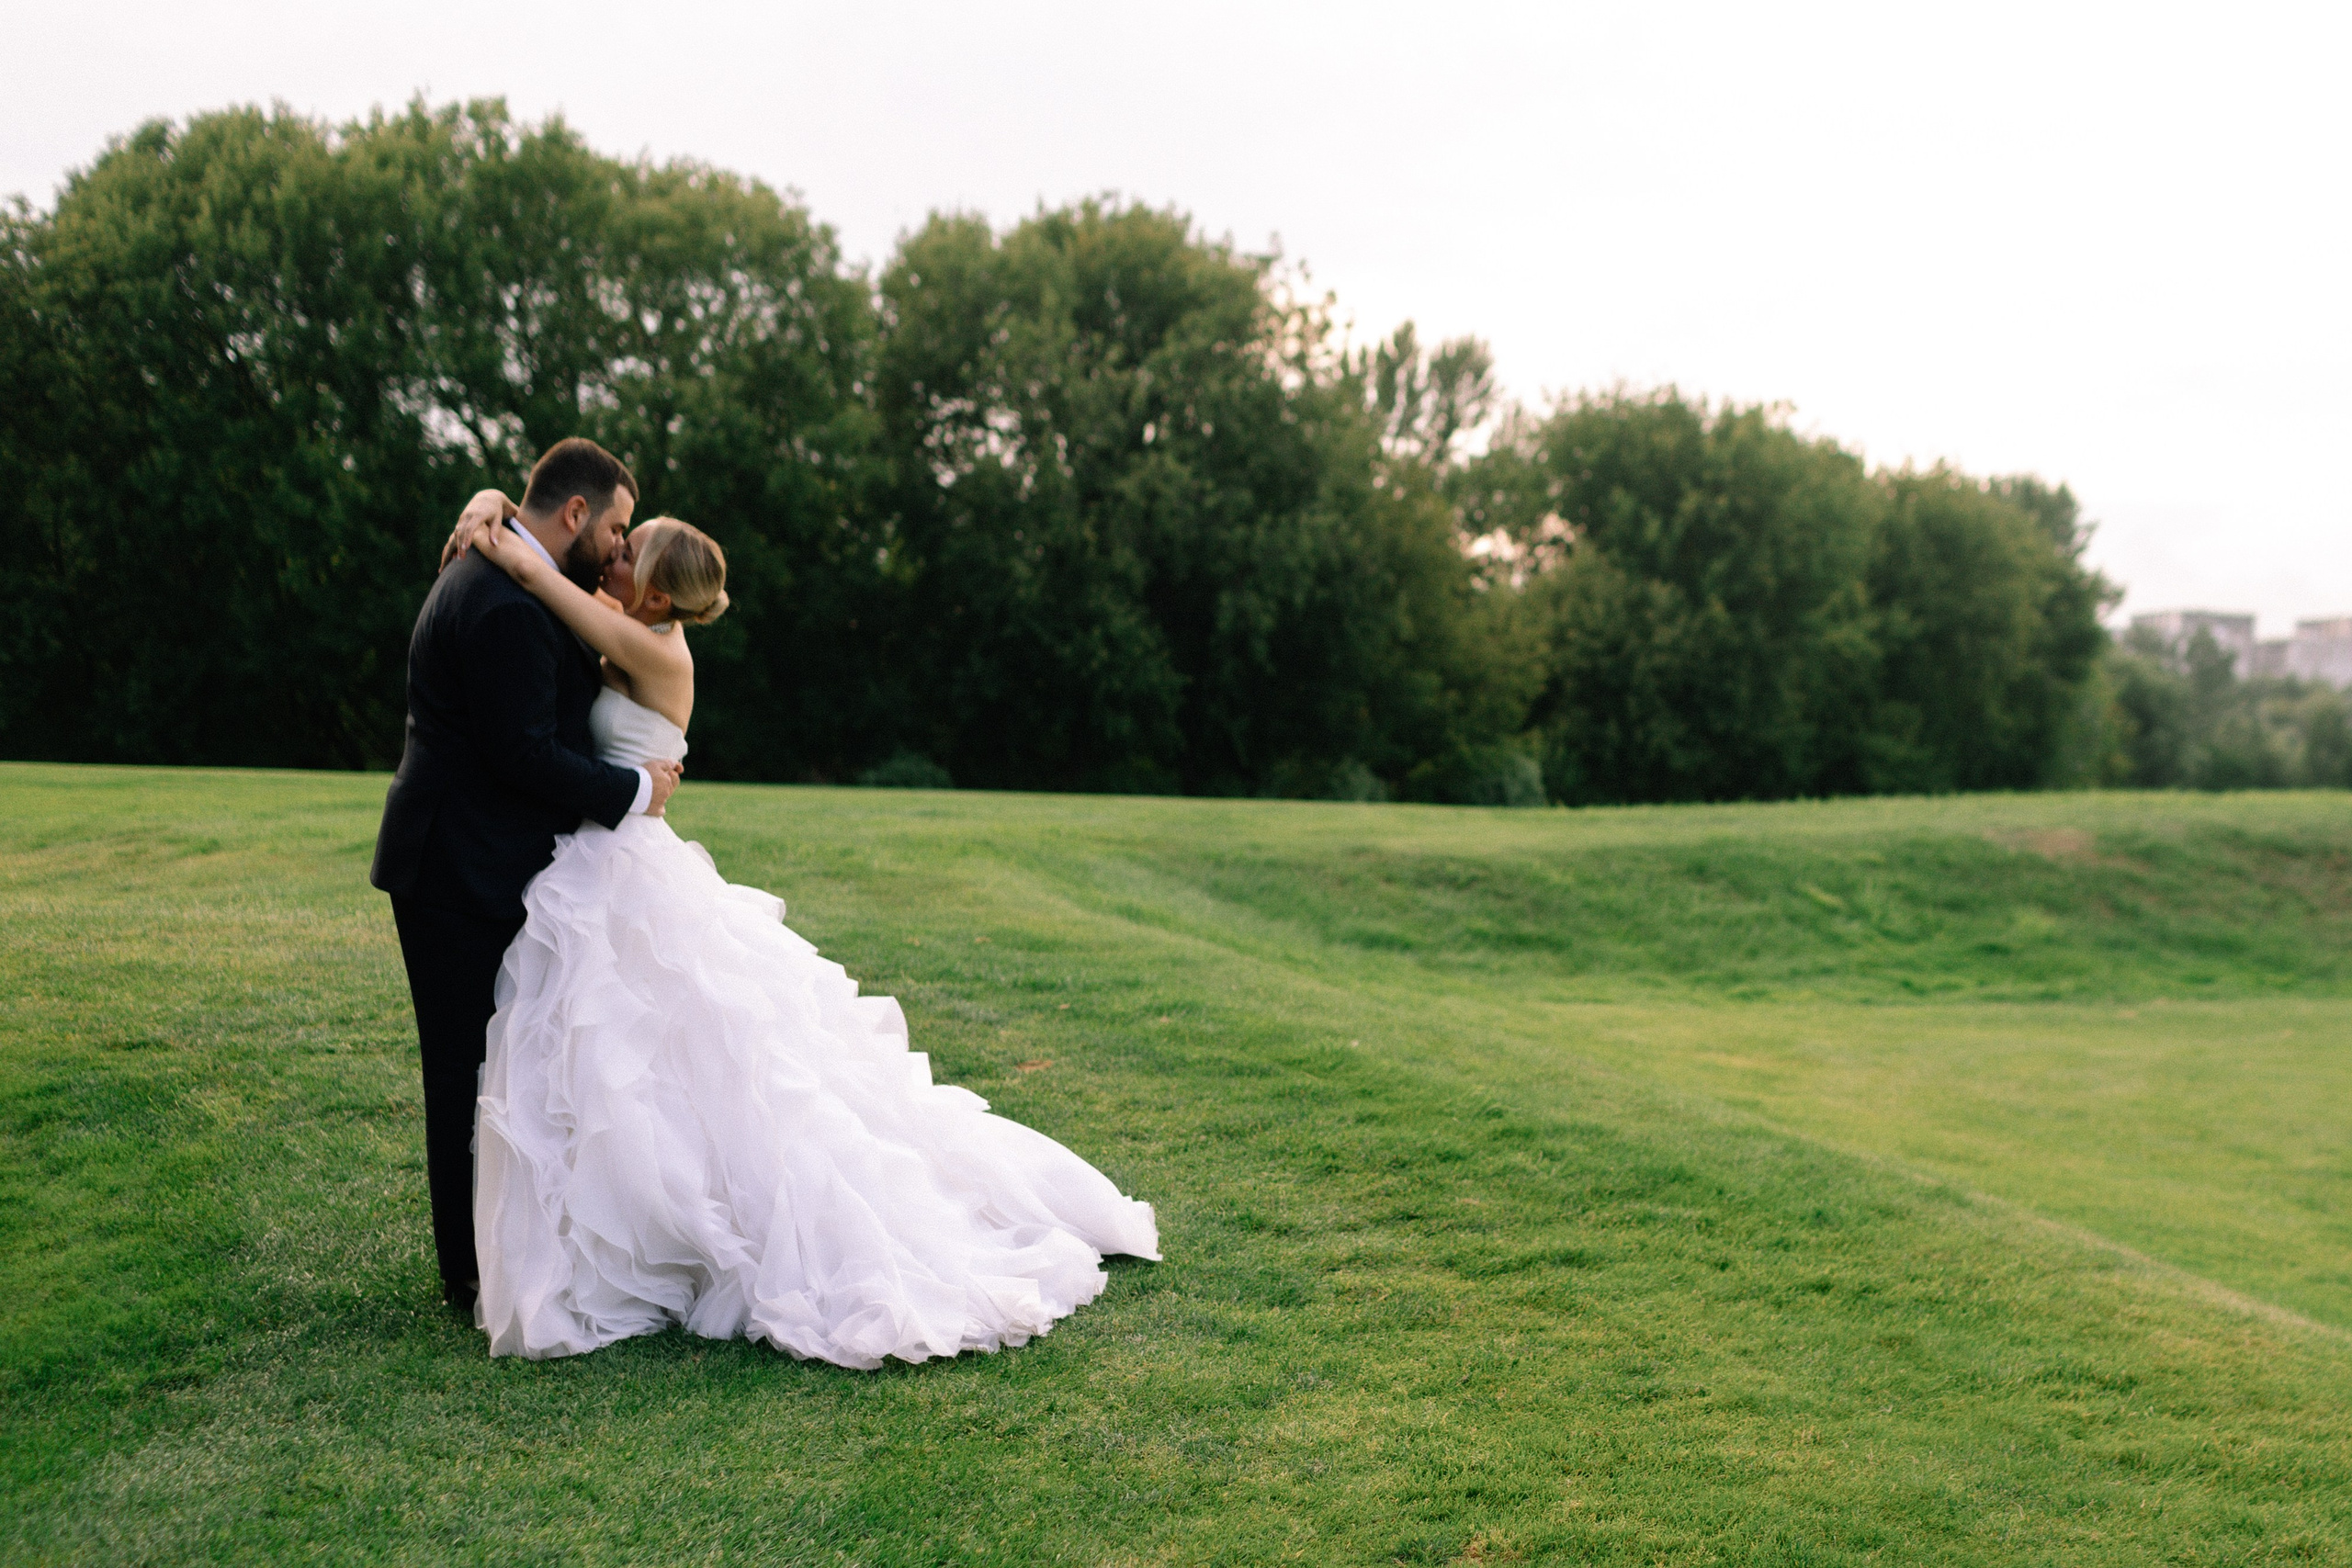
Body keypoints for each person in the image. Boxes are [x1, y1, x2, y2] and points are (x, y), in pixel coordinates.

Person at [437, 490, 1159, 1368]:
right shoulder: (633, 622)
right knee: (631, 1059)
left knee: (680, 1056)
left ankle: (676, 1233)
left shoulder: (650, 645)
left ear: (655, 593)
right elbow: (546, 562)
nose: (611, 553)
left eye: (627, 550)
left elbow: (535, 572)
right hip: (606, 856)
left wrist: (493, 526)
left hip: (629, 860)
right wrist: (492, 498)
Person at [371, 438, 680, 1314]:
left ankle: (507, 1248)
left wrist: (490, 496)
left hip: (478, 857)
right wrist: (636, 790)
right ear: (575, 514)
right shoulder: (504, 599)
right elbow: (524, 753)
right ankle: (471, 1270)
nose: (618, 549)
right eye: (615, 529)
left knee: (504, 1065)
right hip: (457, 866)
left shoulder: (515, 570)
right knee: (464, 1069)